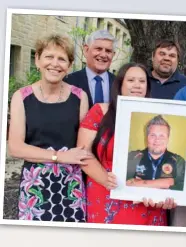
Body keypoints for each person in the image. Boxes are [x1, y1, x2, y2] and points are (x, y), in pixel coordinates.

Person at [77, 62, 176, 225]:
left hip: (146, 200)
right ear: (120, 84)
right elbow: (83, 153)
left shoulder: (157, 118)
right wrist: (104, 179)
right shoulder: (100, 112)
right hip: (106, 192)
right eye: (131, 80)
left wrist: (164, 195)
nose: (137, 85)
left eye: (142, 81)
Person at [8, 34, 91, 222]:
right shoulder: (21, 97)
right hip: (35, 187)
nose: (55, 64)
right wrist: (59, 156)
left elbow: (84, 146)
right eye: (49, 57)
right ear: (37, 60)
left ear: (69, 66)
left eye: (62, 59)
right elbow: (15, 147)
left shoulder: (80, 97)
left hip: (71, 186)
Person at [126, 115, 186, 191]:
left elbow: (182, 189)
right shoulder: (132, 157)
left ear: (168, 139)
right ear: (146, 137)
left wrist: (141, 183)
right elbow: (125, 184)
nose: (157, 140)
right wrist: (164, 183)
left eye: (162, 136)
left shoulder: (178, 161)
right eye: (153, 135)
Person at [64, 30, 116, 108]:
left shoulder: (119, 84)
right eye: (98, 49)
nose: (103, 55)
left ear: (113, 55)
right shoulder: (68, 81)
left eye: (108, 51)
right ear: (86, 50)